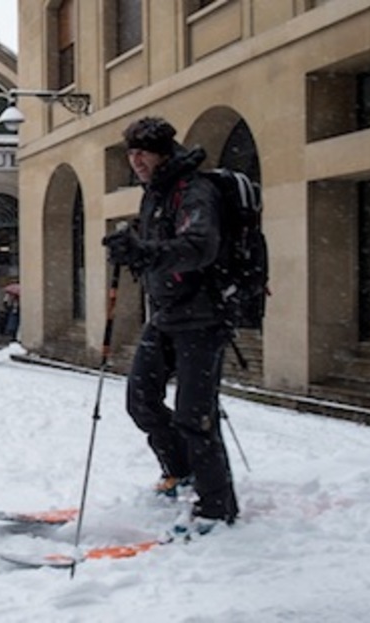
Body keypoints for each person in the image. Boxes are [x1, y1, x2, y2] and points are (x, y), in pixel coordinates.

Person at [103, 116, 239, 537]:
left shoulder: (194, 191)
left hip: (202, 318)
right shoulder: (156, 193)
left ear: (163, 152)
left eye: (143, 152)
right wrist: (133, 248)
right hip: (165, 315)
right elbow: (158, 248)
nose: (136, 161)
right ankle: (180, 473)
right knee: (141, 401)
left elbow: (200, 246)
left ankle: (218, 506)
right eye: (131, 153)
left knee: (194, 417)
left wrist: (144, 253)